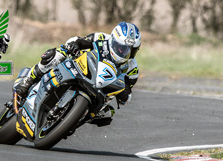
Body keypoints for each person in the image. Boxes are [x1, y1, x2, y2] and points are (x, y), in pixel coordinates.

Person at [13, 22, 141, 124]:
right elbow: (81, 41)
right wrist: (75, 45)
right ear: (113, 39)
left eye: (130, 50)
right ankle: (27, 81)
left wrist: (124, 95)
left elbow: (128, 91)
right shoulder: (102, 38)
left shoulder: (132, 68)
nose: (123, 52)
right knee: (57, 55)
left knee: (108, 113)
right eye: (121, 47)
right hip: (82, 68)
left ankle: (79, 118)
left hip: (102, 88)